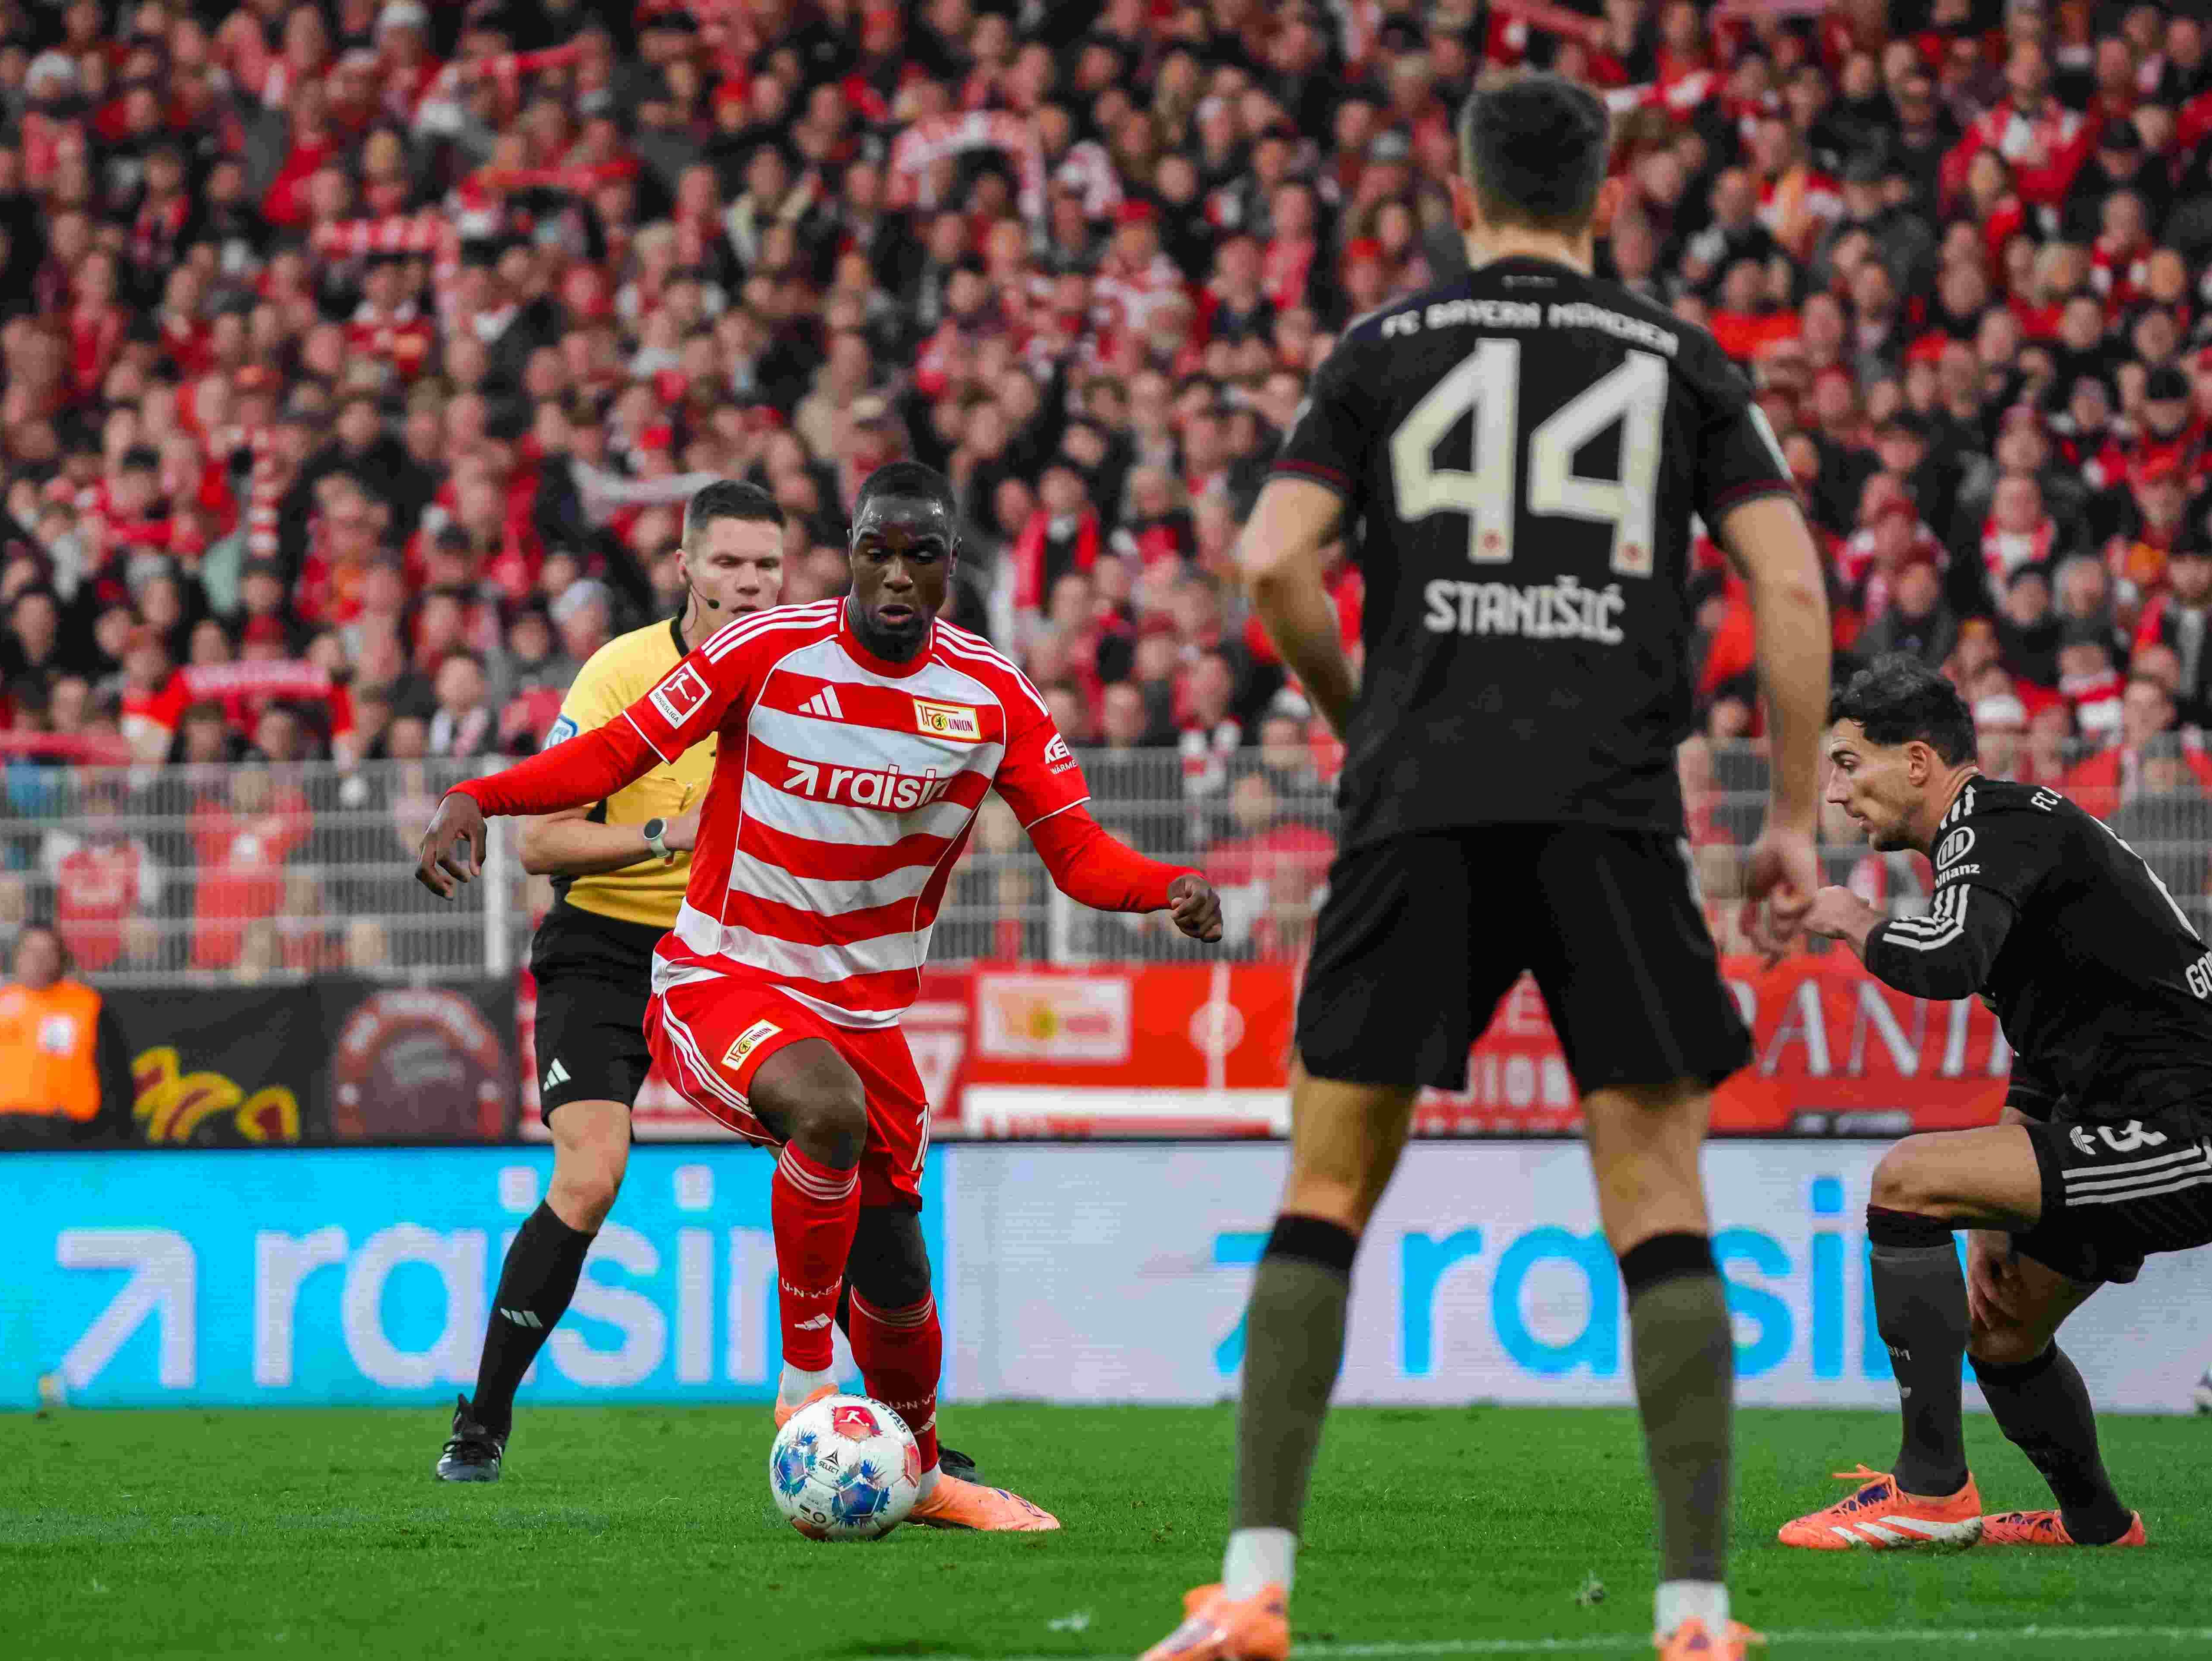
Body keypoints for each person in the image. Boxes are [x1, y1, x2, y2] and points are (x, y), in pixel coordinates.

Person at [1140, 76, 1831, 1661]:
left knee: (1326, 1185)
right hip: (1612, 806)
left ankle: (1251, 1588)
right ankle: (1695, 1613)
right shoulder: (1680, 357)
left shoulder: (1381, 346)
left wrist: (1360, 719)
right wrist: (1790, 816)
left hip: (1420, 801)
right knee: (1656, 1197)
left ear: (1458, 199)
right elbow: (1788, 586)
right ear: (1605, 202)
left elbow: (1269, 560)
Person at [417, 460, 1224, 1531]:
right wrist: (478, 795)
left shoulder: (991, 695)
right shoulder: (764, 651)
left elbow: (1074, 852)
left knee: (897, 1278)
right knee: (809, 1118)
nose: (894, 575)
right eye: (875, 551)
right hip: (719, 973)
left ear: (949, 567)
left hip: (863, 1013)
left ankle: (923, 1475)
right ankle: (800, 1385)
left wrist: (1164, 886)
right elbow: (612, 754)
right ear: (848, 554)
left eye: (918, 556)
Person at [1777, 655, 2208, 1555]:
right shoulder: (2006, 832)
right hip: (2124, 1115)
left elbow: (1949, 959)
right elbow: (2054, 1029)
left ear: (1918, 762)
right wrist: (1999, 1192)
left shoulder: (1991, 824)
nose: (1834, 792)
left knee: (1906, 1181)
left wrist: (1852, 919)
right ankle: (2098, 1525)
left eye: (1848, 764)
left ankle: (1929, 1488)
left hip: (2186, 1124)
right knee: (2003, 1327)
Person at [434, 479, 795, 1481]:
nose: (749, 581)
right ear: (686, 567)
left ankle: (903, 1420)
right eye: (728, 562)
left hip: (731, 950)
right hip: (602, 947)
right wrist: (669, 833)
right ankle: (483, 1419)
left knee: (830, 1146)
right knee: (590, 1174)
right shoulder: (623, 670)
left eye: (766, 564)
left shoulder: (806, 677)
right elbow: (540, 843)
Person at [0, 922, 135, 1147]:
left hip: (66, 1135)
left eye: (47, 951)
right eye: (31, 951)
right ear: (16, 957)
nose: (38, 959)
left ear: (61, 958)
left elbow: (116, 1078)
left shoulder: (88, 1006)